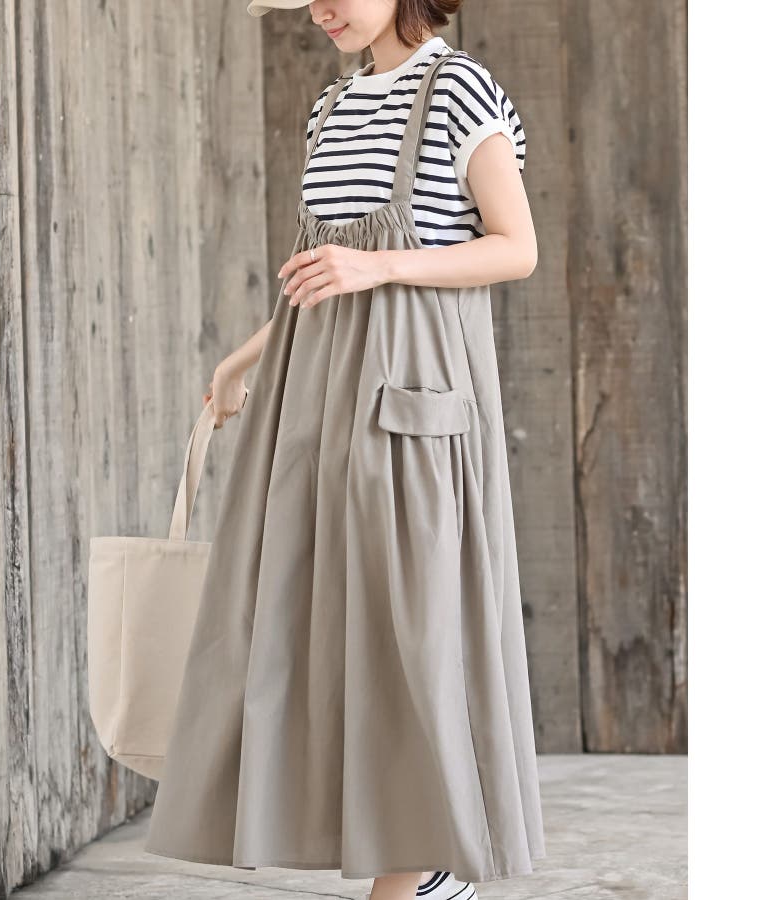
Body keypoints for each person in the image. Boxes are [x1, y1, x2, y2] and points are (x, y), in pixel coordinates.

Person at [144, 3, 547, 899]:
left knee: (415, 627)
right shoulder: (333, 107)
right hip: (318, 396)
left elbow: (515, 248)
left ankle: (423, 868)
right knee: (329, 627)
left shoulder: (459, 89)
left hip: (412, 393)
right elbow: (320, 274)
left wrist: (384, 265)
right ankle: (419, 862)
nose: (320, 8)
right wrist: (241, 361)